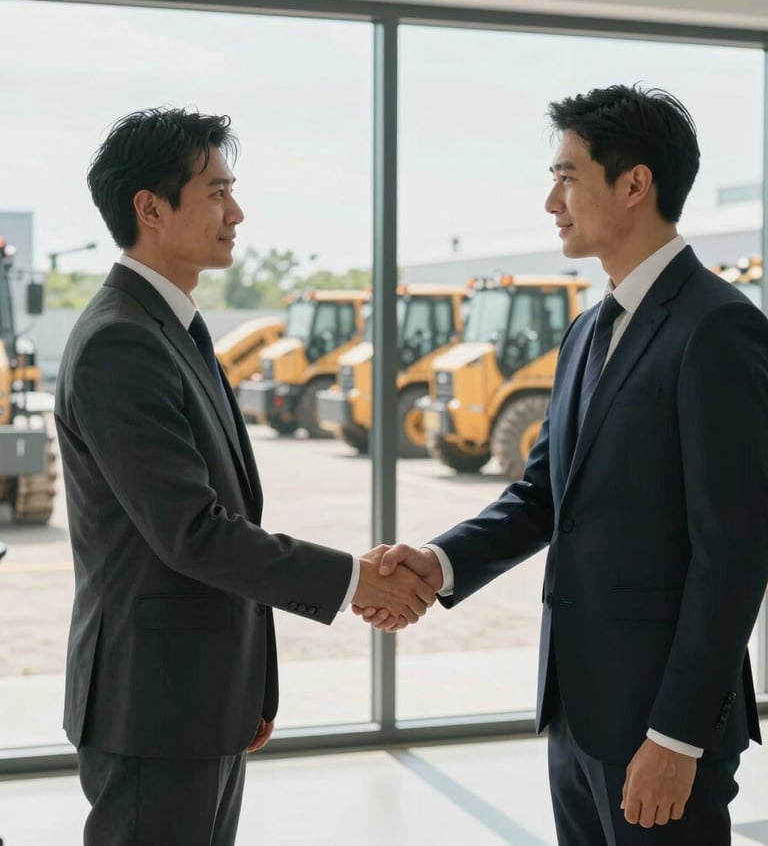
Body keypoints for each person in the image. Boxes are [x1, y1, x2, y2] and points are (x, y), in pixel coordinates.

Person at [358, 84, 768, 844]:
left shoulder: (719, 328)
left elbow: (735, 554)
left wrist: (677, 736)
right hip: (577, 710)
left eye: (568, 176)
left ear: (635, 183)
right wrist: (439, 562)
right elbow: (545, 495)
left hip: (660, 724)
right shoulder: (586, 331)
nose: (552, 201)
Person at [54, 107, 435, 846]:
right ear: (150, 209)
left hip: (198, 697)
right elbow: (193, 533)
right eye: (218, 192)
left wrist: (249, 685)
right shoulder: (119, 343)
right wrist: (355, 580)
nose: (237, 212)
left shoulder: (172, 330)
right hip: (153, 704)